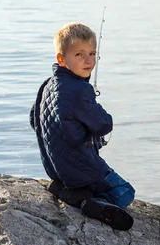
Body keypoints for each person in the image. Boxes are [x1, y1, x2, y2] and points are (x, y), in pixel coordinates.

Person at [30, 22, 135, 231]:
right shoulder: (79, 90)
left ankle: (66, 192)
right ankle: (96, 204)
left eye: (92, 53)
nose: (88, 60)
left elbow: (34, 120)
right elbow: (102, 125)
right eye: (79, 54)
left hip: (55, 168)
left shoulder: (47, 84)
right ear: (61, 59)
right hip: (83, 169)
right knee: (125, 191)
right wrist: (102, 113)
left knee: (84, 179)